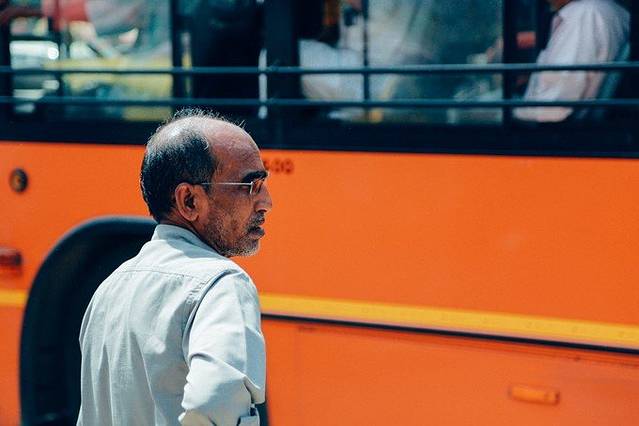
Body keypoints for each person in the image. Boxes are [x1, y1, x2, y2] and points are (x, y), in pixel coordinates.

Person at [76, 109, 272, 426]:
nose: (266, 202)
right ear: (189, 201)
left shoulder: (108, 289)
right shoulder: (221, 284)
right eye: (249, 185)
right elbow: (215, 406)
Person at [515, 0, 630, 122]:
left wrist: (509, 111)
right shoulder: (603, 9)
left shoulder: (585, 15)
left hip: (564, 129)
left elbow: (552, 110)